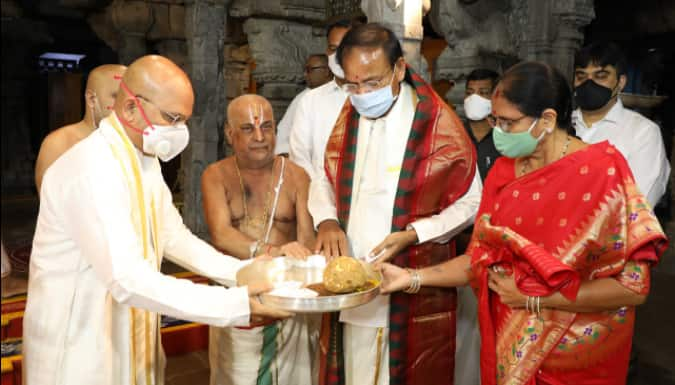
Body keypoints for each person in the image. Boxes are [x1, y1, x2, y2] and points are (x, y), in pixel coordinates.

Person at [379, 61, 668, 385]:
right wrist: (409, 278)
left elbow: (632, 288)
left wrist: (534, 298)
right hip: (511, 351)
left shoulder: (605, 173)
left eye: (508, 122)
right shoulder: (503, 172)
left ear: (546, 119)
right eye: (495, 120)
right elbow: (480, 259)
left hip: (579, 359)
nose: (498, 131)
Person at [23, 55, 289, 385]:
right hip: (80, 338)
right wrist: (234, 303)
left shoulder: (142, 158)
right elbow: (127, 279)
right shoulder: (91, 167)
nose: (179, 131)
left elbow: (172, 235)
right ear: (131, 108)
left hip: (130, 326)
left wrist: (238, 272)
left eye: (184, 120)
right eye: (172, 118)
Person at [310, 23, 482, 385]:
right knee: (353, 370)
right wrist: (326, 220)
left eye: (371, 83)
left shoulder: (436, 123)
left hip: (409, 276)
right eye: (352, 84)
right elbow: (322, 175)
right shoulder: (347, 114)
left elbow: (470, 200)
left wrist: (415, 233)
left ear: (400, 69)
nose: (361, 93)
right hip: (352, 274)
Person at [202, 94, 317, 385]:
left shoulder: (297, 176)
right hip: (237, 296)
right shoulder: (216, 175)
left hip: (286, 297)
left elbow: (306, 242)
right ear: (230, 134)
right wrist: (273, 251)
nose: (260, 137)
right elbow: (222, 234)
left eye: (267, 127)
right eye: (248, 129)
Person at [572, 42, 670, 207]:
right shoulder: (558, 124)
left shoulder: (642, 133)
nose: (588, 83)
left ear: (620, 82)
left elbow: (638, 204)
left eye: (601, 76)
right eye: (581, 76)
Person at [35, 64, 127, 191]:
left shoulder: (132, 142)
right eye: (117, 96)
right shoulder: (59, 143)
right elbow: (51, 205)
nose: (127, 106)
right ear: (91, 99)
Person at [288, 19, 360, 179]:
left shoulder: (371, 97)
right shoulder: (310, 101)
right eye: (333, 48)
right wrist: (321, 196)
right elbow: (299, 157)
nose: (339, 55)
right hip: (317, 198)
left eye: (346, 48)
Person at [275, 54, 332, 156]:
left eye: (310, 70)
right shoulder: (303, 98)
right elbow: (284, 131)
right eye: (305, 70)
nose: (305, 74)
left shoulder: (342, 95)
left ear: (327, 71)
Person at [463, 68, 502, 181]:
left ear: (496, 97)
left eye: (483, 92)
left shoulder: (505, 139)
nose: (474, 98)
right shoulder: (455, 134)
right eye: (469, 93)